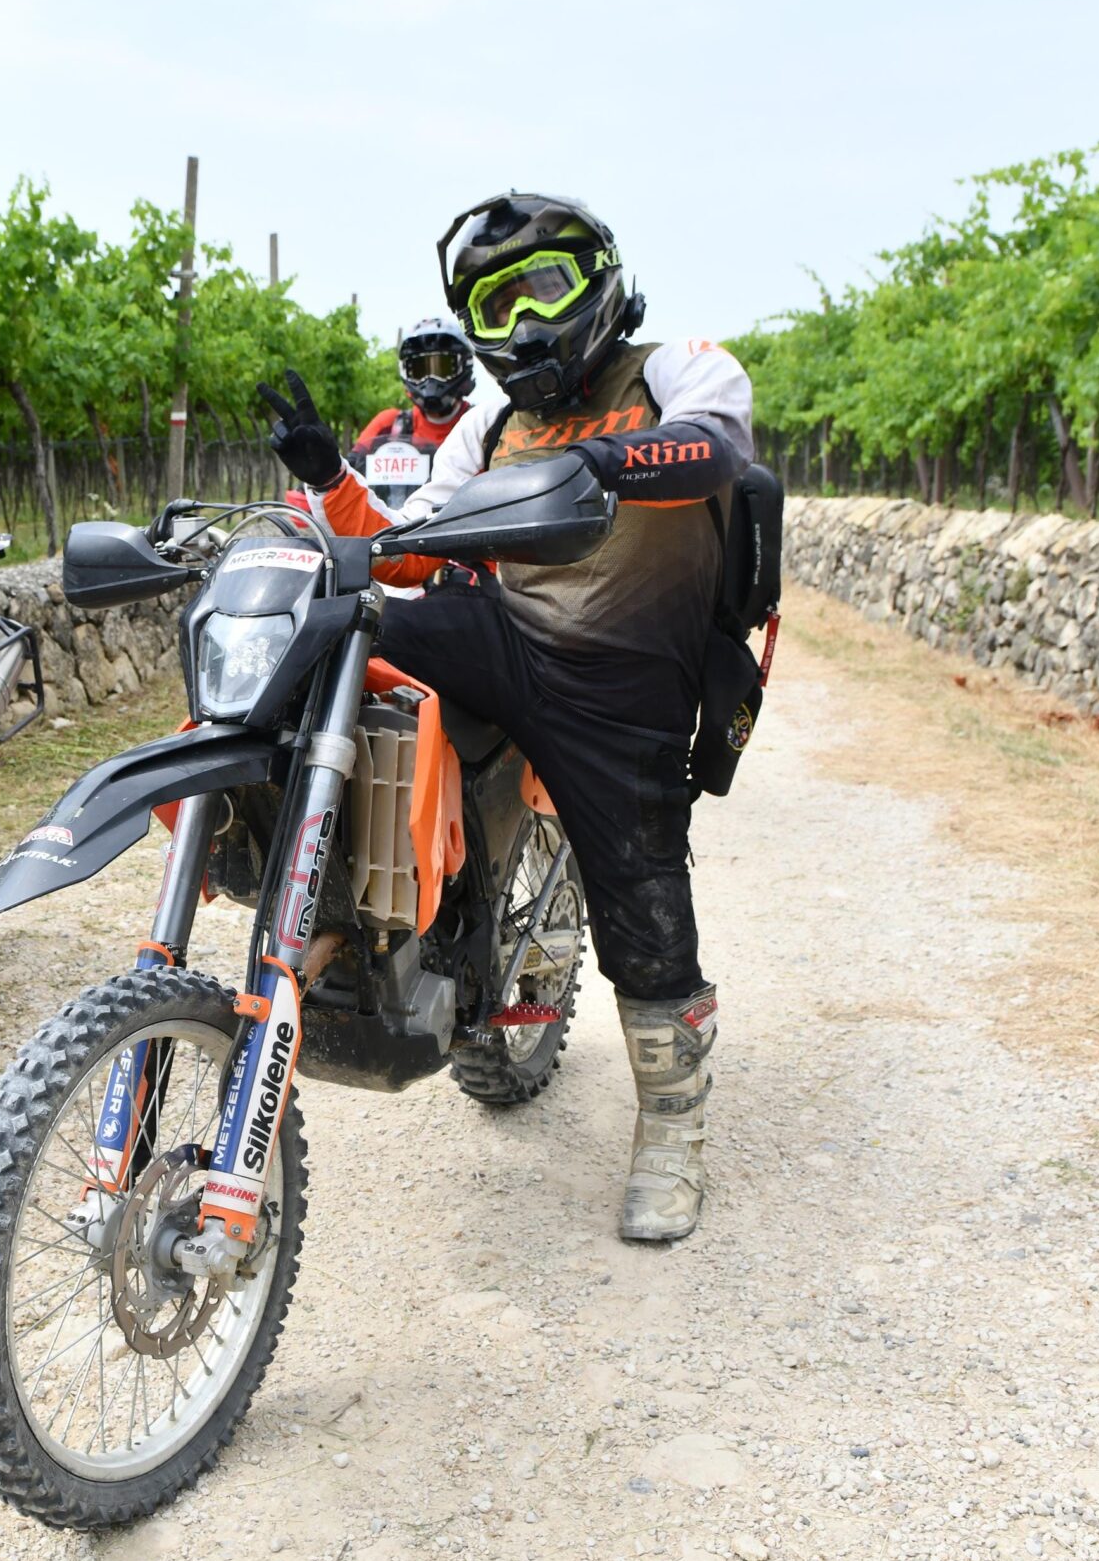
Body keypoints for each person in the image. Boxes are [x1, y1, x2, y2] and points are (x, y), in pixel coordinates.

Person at [261, 192, 750, 1242]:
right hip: (506, 637)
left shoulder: (675, 368)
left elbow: (716, 450)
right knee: (346, 621)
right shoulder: (488, 426)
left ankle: (672, 1128)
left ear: (598, 281)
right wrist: (330, 480)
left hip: (625, 680)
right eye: (495, 304)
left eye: (543, 287)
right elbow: (407, 545)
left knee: (640, 894)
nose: (524, 322)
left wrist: (599, 462)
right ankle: (335, 895)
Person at [345, 317, 478, 511]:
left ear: (463, 365)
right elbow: (349, 473)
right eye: (420, 370)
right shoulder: (389, 424)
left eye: (441, 368)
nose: (430, 380)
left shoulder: (480, 425)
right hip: (399, 525)